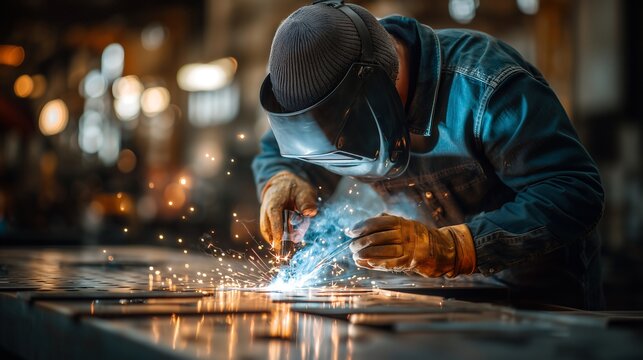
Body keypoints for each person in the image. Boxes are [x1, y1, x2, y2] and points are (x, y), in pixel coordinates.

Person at [252, 0, 605, 309]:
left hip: (537, 305)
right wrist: (281, 178)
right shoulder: (339, 102)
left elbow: (574, 190)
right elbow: (281, 150)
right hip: (433, 301)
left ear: (378, 94)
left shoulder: (486, 86)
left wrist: (454, 247)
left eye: (341, 137)